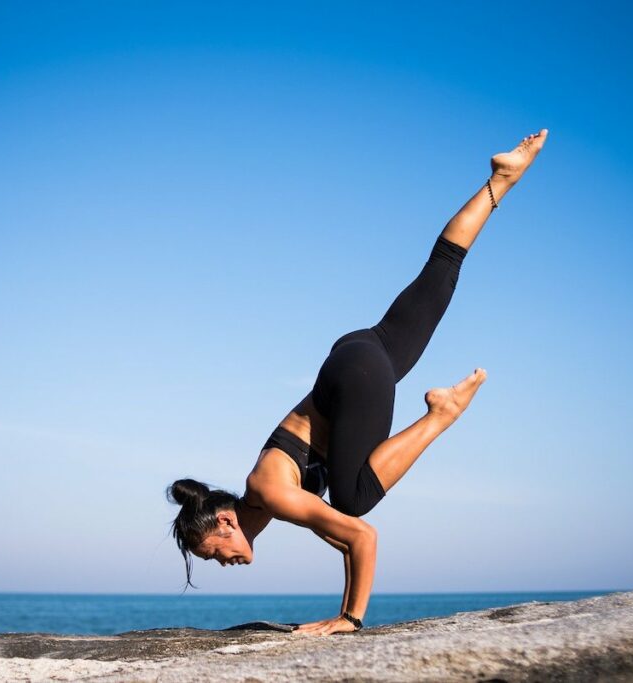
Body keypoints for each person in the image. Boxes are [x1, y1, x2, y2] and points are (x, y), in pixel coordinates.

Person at [166, 129, 549, 636]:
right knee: (440, 273)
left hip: (356, 379)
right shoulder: (266, 499)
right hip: (357, 356)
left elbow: (360, 536)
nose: (222, 563)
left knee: (352, 500)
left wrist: (348, 618)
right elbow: (340, 539)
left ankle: (441, 414)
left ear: (224, 524)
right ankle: (502, 178)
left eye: (213, 554)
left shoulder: (270, 493)